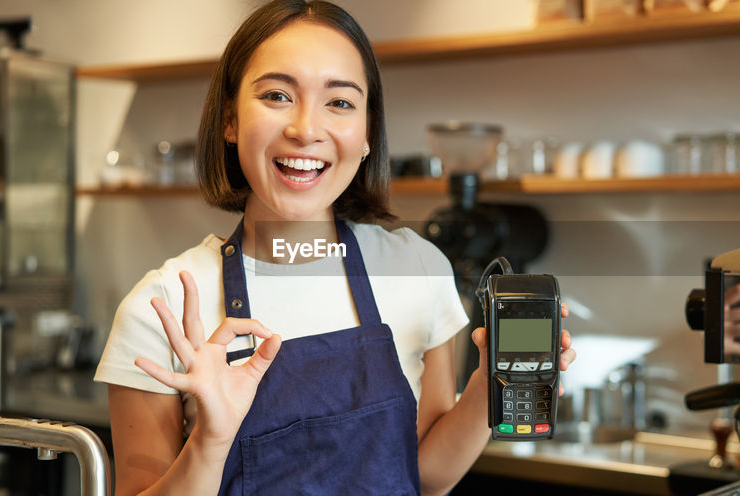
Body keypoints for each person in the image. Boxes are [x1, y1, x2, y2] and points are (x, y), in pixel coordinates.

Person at [93, 1, 577, 495]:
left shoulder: (417, 267)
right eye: (277, 95)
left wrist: (486, 389)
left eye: (340, 102)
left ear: (367, 132)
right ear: (229, 121)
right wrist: (210, 442)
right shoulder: (165, 309)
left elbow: (427, 475)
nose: (306, 129)